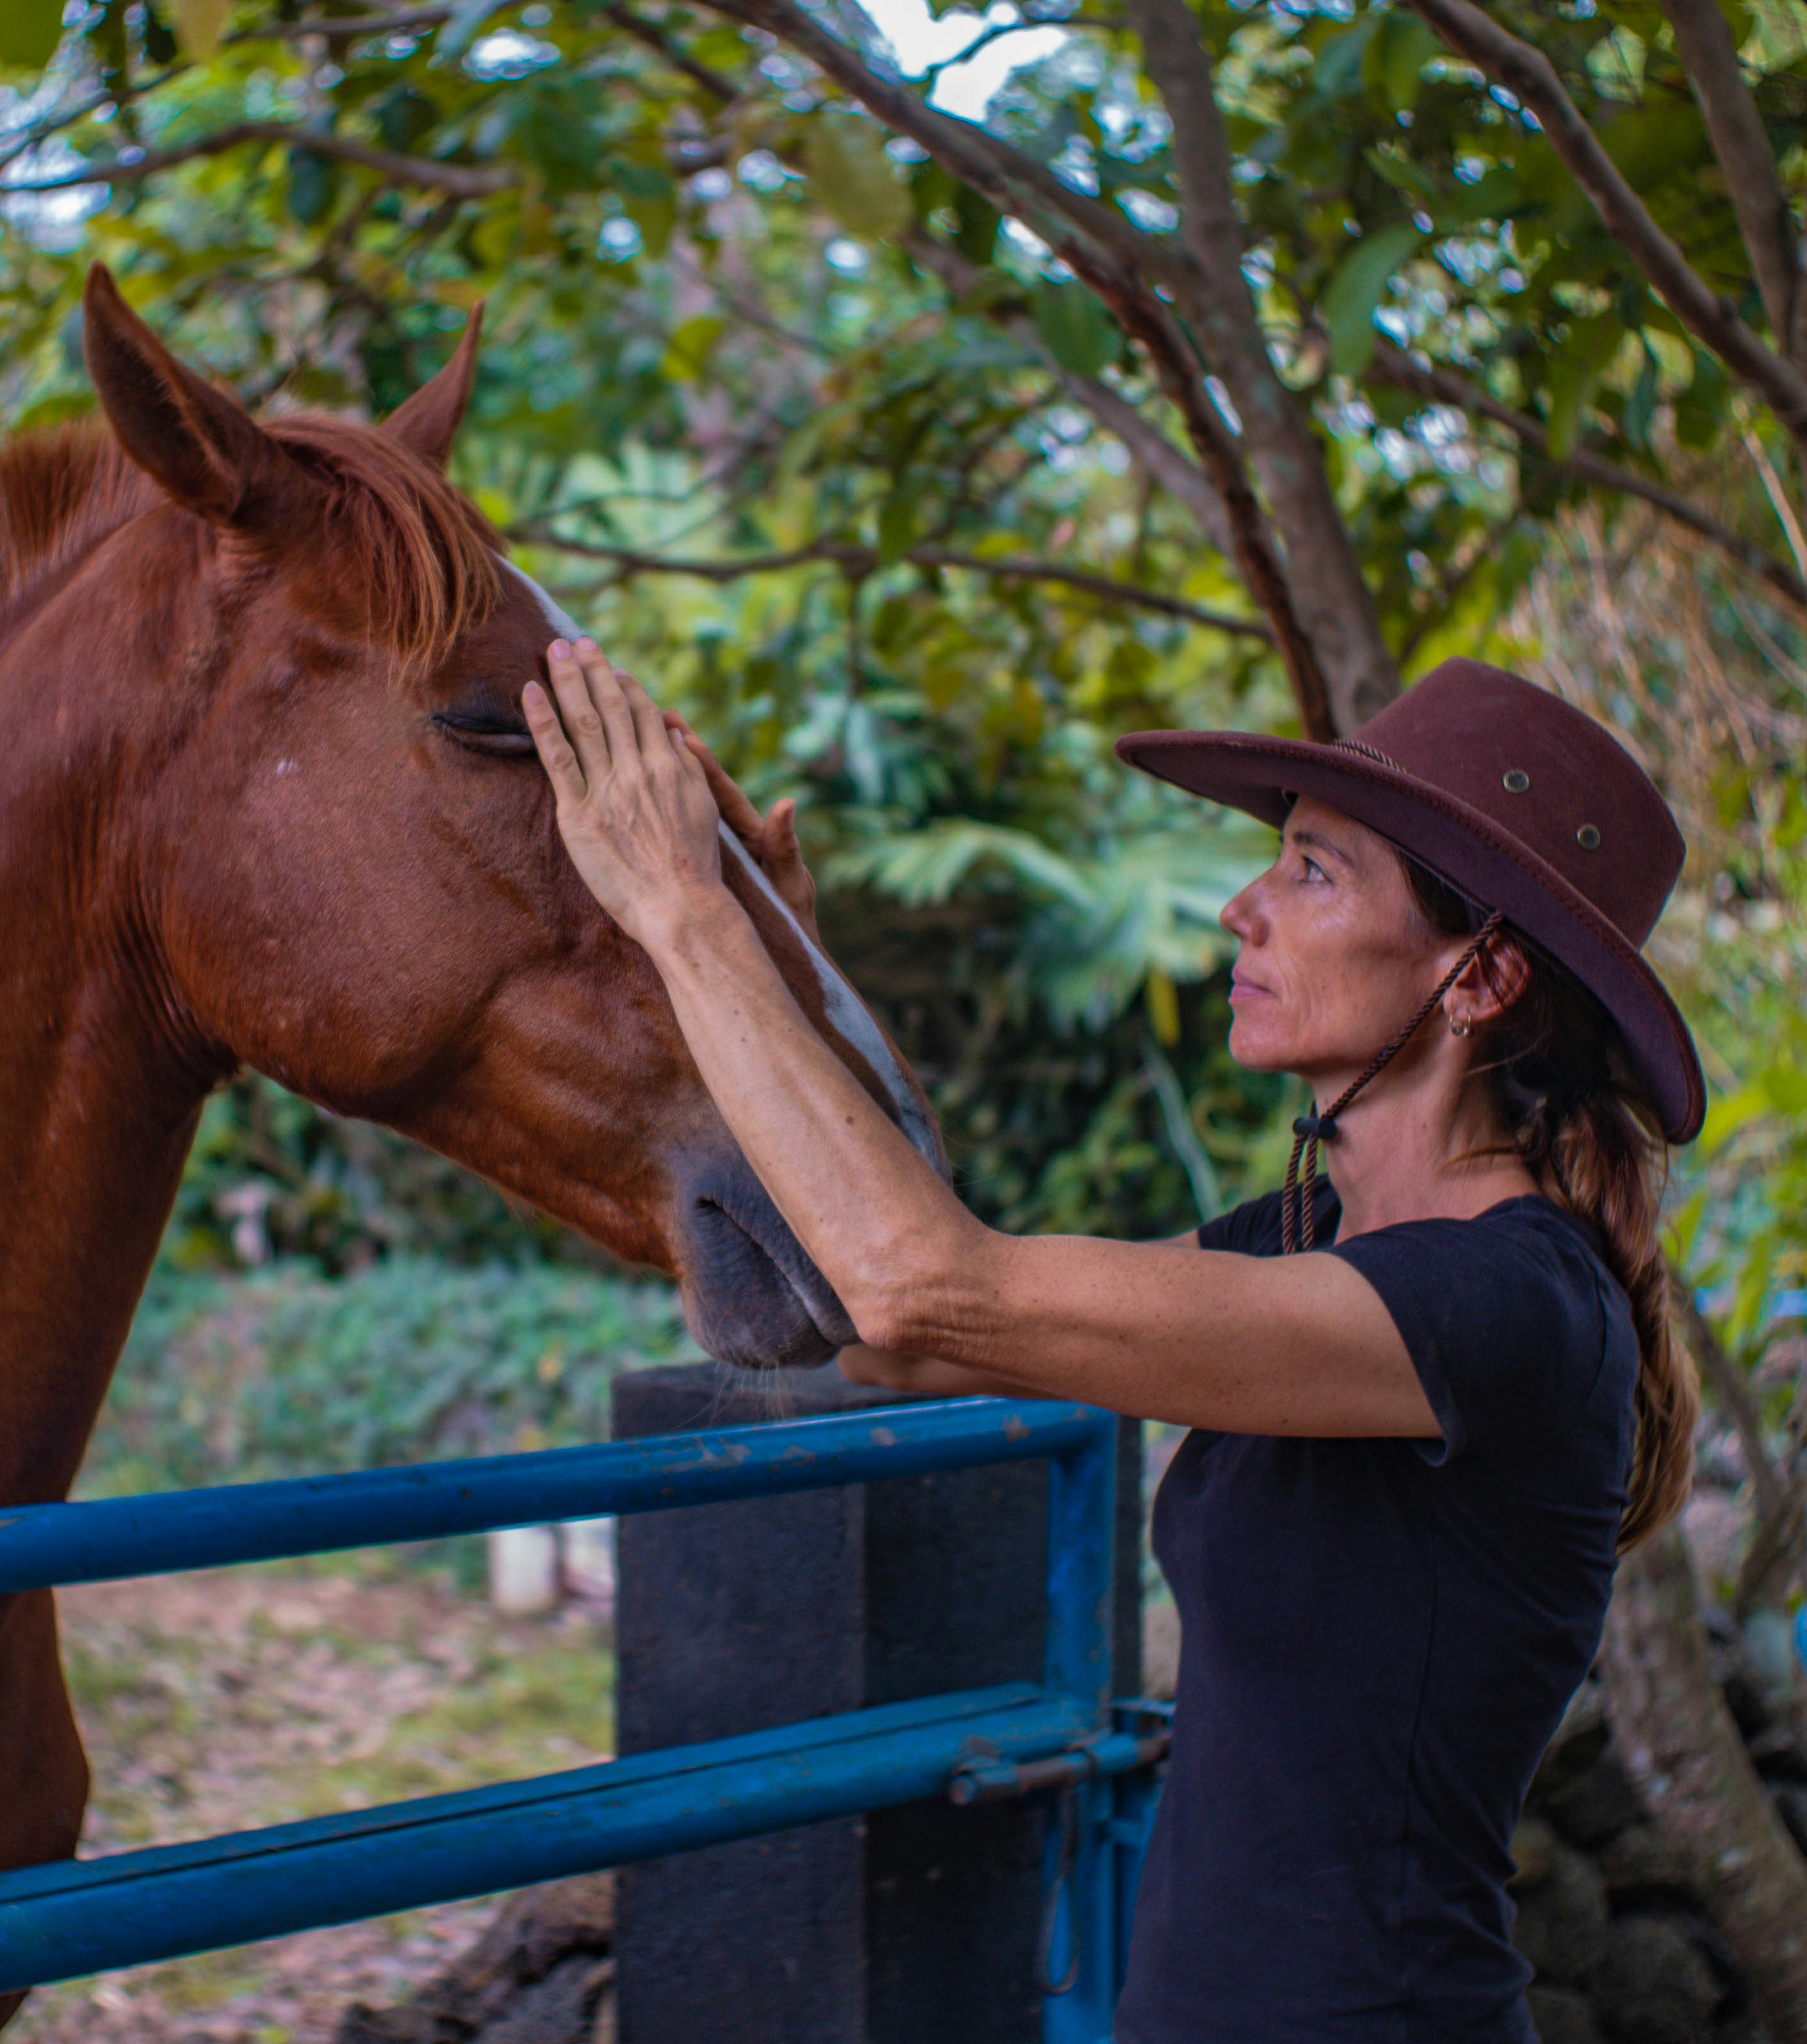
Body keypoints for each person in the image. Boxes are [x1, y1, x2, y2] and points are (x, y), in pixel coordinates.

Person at [519, 644, 1703, 2042]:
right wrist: (772, 973)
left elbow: (928, 1288)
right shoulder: (1300, 1242)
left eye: (1314, 873)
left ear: (1482, 973)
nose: (1242, 909)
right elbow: (890, 1342)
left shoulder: (1511, 1306)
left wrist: (683, 912)